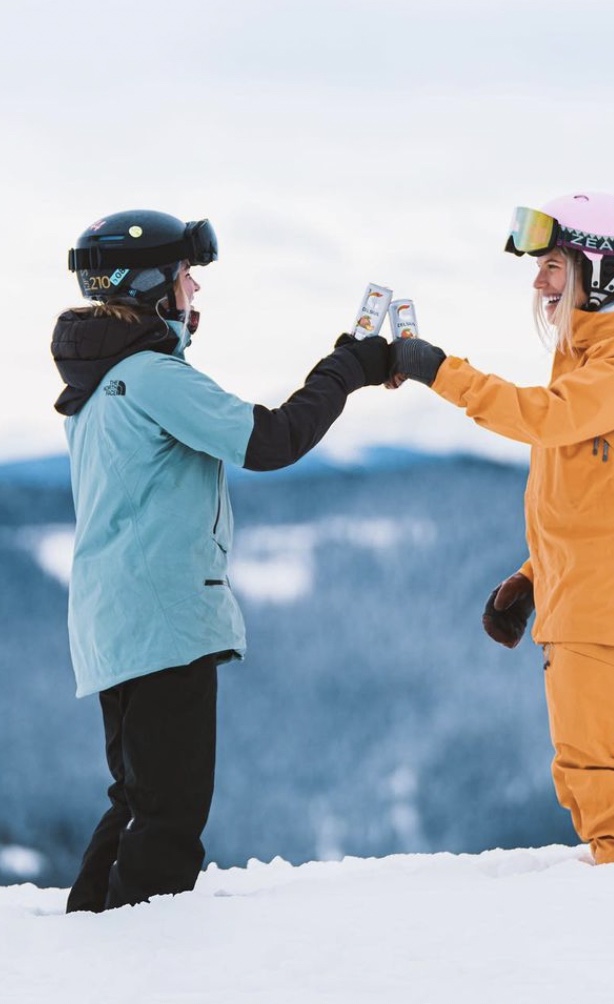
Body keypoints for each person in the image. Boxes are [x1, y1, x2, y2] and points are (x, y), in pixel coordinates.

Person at [51, 209, 389, 911]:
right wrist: (350, 367)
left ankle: (85, 938)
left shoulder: (95, 387)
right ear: (150, 286)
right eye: (184, 275)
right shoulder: (151, 376)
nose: (195, 288)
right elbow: (272, 440)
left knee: (137, 799)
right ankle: (139, 951)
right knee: (169, 820)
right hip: (164, 620)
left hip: (114, 622)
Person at [390, 192, 614, 864]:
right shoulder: (597, 351)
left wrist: (437, 370)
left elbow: (546, 417)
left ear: (603, 268)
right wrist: (534, 578)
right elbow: (595, 500)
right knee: (586, 770)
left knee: (599, 775)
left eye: (553, 266)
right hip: (594, 599)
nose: (539, 283)